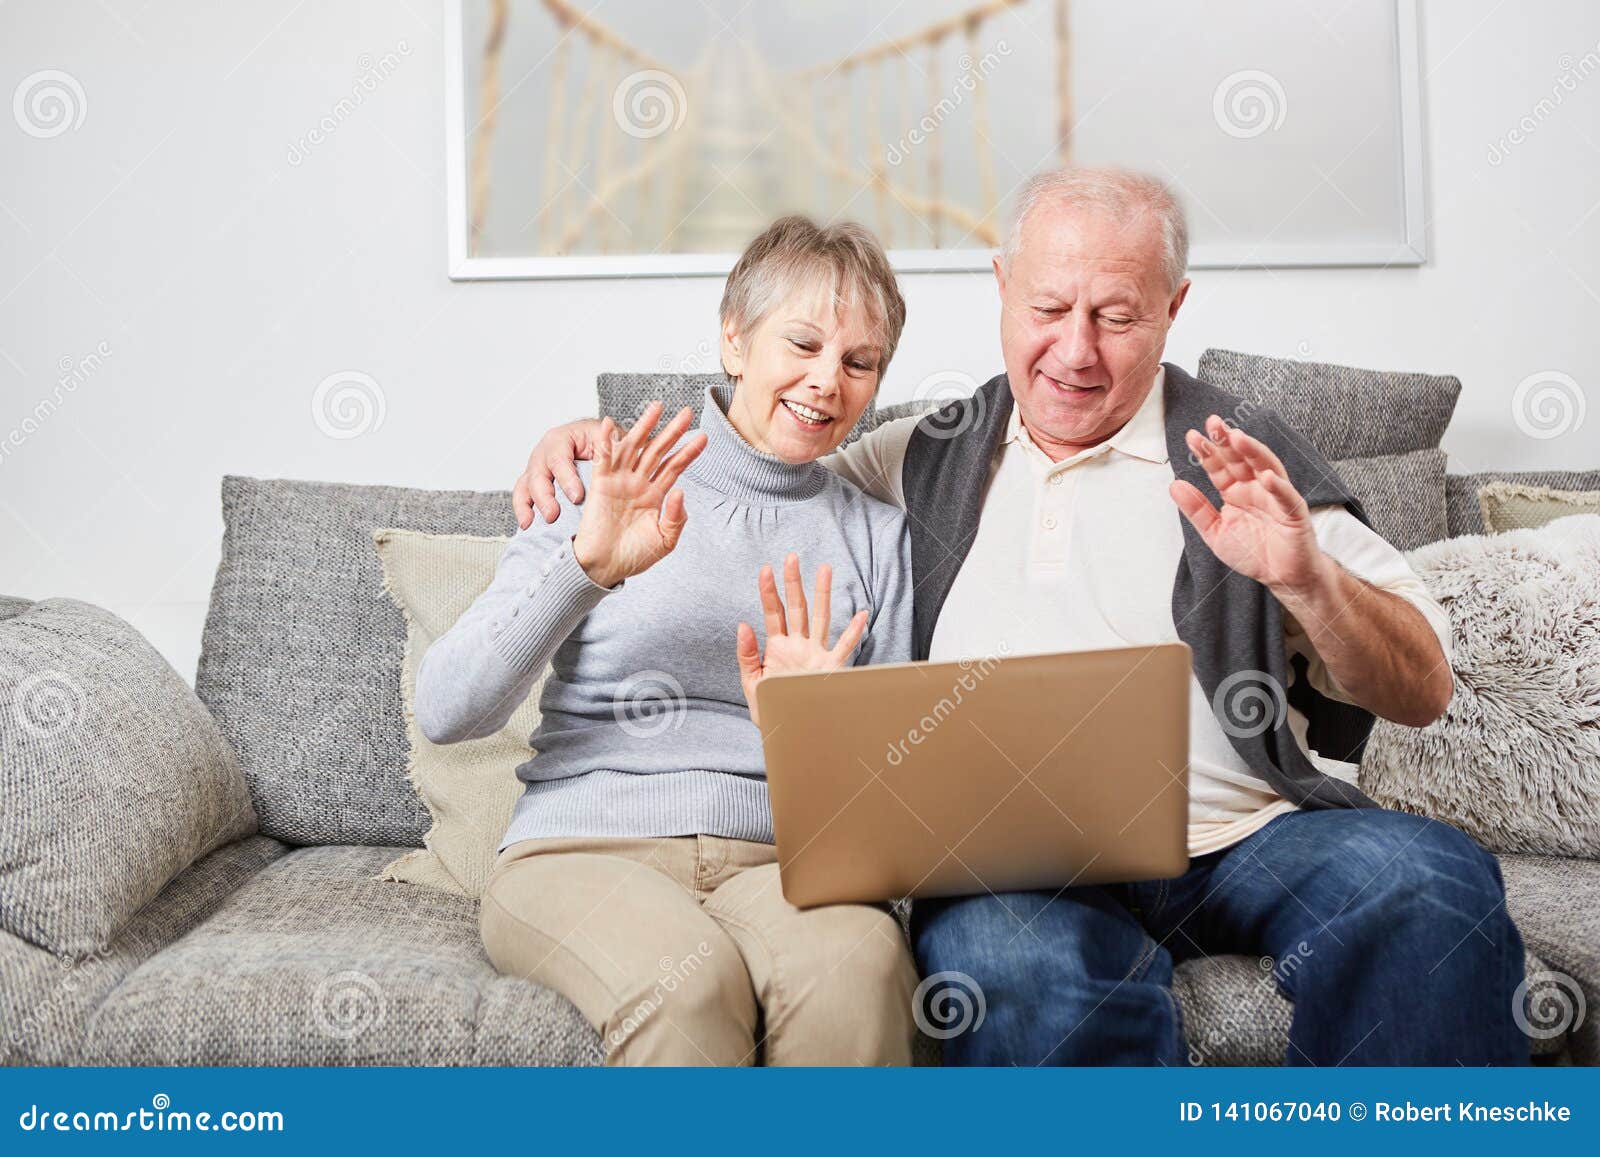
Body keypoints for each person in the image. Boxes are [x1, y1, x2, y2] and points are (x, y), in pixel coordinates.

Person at [511, 167, 1528, 1066]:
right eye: (1048, 307)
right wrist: (587, 441)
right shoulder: (919, 455)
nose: (1074, 351)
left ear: (1172, 307)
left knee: (1424, 885)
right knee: (1009, 967)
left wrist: (1309, 579)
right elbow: (762, 448)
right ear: (1001, 290)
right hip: (1014, 863)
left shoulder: (1237, 449)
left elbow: (1422, 684)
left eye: (1116, 315)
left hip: (1244, 834)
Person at [416, 216, 920, 1066]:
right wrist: (587, 566)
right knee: (689, 985)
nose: (826, 381)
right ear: (734, 340)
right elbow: (445, 707)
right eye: (801, 343)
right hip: (581, 850)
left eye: (859, 362)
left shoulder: (878, 536)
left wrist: (812, 735)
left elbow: (904, 804)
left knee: (860, 966)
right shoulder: (609, 482)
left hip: (785, 863)